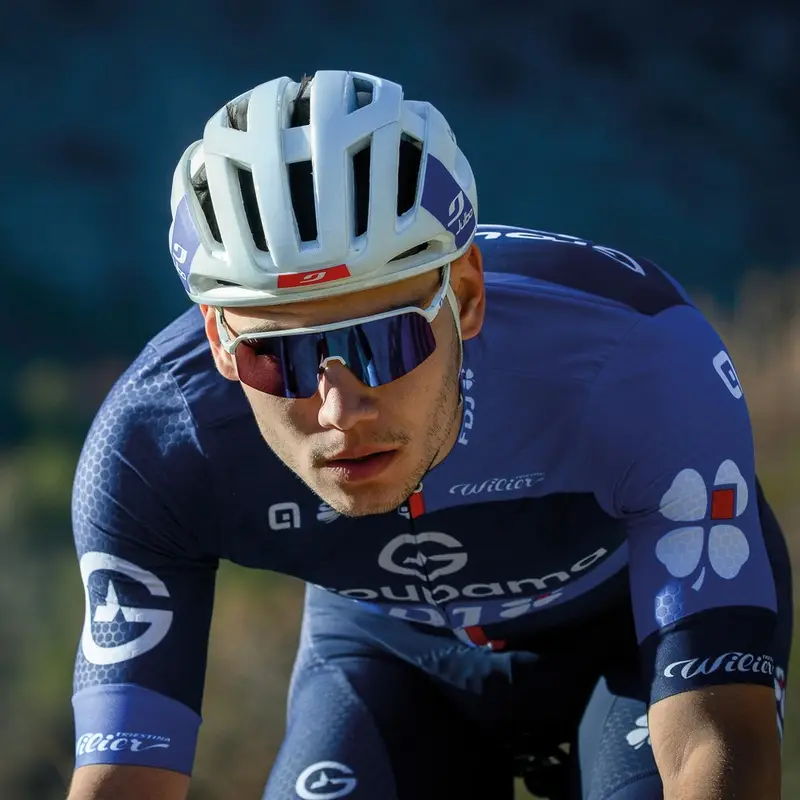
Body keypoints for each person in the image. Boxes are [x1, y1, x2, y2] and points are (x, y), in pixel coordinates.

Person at [66, 70, 792, 800]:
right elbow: (123, 776)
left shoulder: (638, 362)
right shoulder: (157, 444)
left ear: (465, 297)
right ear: (221, 342)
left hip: (632, 625)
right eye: (279, 357)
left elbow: (718, 738)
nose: (340, 411)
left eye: (387, 341)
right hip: (385, 656)